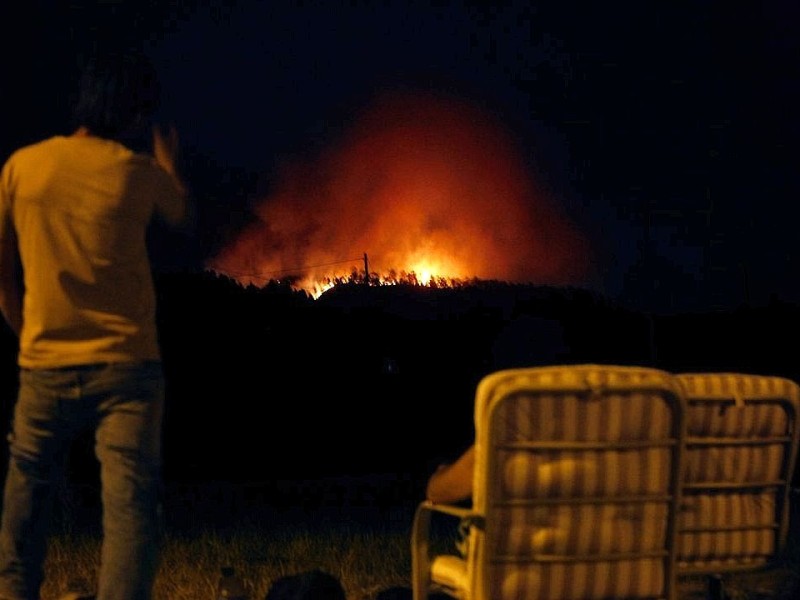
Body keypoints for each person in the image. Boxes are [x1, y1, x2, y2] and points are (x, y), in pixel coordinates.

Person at [0, 46, 192, 600]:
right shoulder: (137, 174)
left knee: (23, 514)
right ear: (132, 113)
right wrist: (171, 166)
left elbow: (3, 276)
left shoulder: (21, 167)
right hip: (129, 371)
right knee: (130, 514)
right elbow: (182, 213)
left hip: (43, 368)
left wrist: (30, 338)